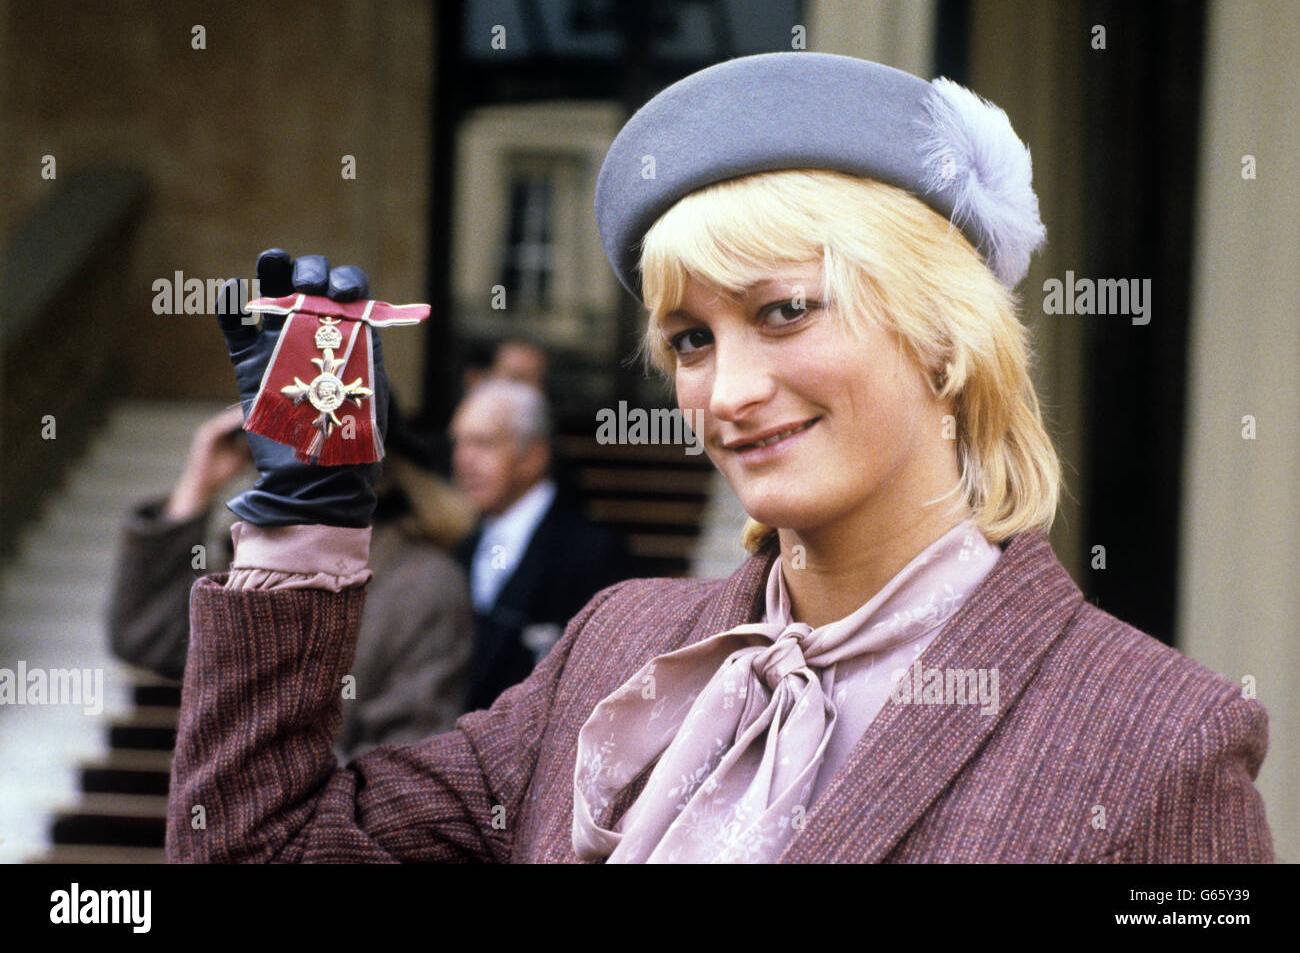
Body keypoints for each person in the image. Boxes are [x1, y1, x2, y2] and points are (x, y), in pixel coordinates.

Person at [166, 53, 1271, 863]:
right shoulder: (621, 649)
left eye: (784, 311)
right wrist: (305, 518)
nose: (726, 392)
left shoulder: (1159, 738)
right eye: (691, 338)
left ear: (944, 340)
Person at [109, 401, 476, 754]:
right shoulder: (252, 558)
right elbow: (146, 637)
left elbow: (408, 766)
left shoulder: (423, 586)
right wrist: (197, 488)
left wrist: (271, 780)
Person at [449, 379, 634, 711]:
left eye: (484, 443)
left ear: (533, 456)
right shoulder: (461, 547)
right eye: (460, 443)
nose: (464, 460)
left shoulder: (594, 554)